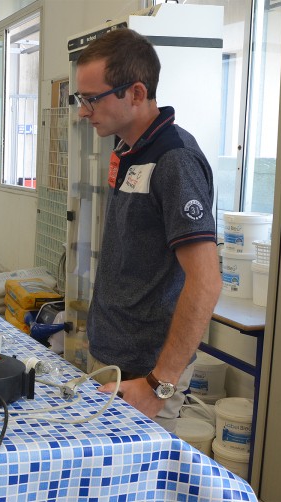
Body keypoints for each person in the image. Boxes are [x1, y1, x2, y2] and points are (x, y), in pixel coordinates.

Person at [73, 28, 222, 431]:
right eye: (80, 99)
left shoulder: (175, 161)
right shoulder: (127, 148)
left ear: (136, 93)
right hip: (113, 357)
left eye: (91, 99)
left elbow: (206, 282)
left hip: (146, 374)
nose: (83, 112)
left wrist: (159, 385)